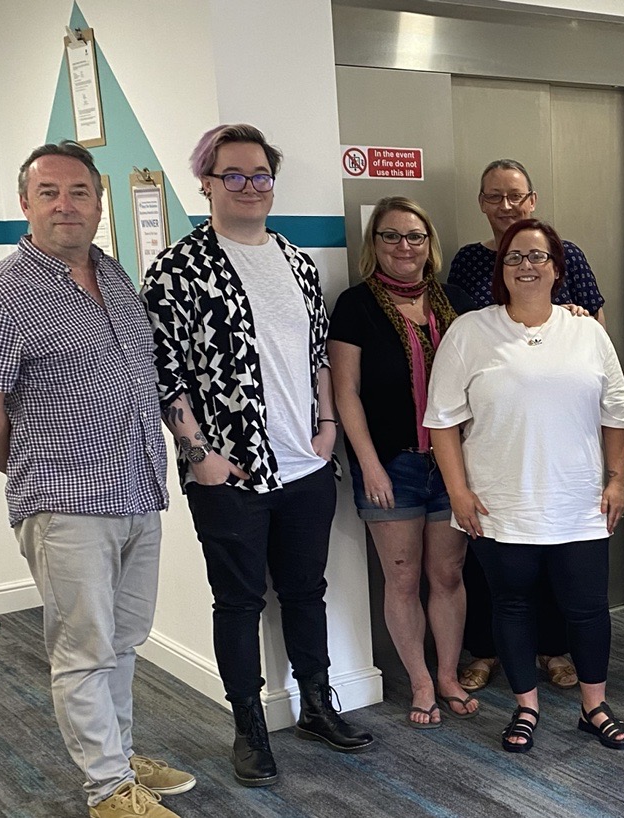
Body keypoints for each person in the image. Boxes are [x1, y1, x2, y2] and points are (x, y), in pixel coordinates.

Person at [141, 124, 373, 788]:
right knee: (238, 602)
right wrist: (200, 455)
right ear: (207, 183)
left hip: (305, 464)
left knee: (306, 591)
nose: (249, 187)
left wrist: (326, 427)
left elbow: (317, 355)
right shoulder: (178, 269)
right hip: (228, 473)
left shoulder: (296, 261)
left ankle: (318, 706)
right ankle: (249, 728)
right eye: (234, 175)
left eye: (261, 175)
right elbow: (165, 373)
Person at [0, 141, 194, 817]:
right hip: (66, 504)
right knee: (82, 651)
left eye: (79, 192)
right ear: (25, 203)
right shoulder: (5, 292)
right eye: (48, 192)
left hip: (138, 490)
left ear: (99, 204)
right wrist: (40, 470)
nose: (65, 205)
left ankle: (121, 758)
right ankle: (107, 790)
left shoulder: (115, 275)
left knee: (123, 641)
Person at [426, 218, 624, 754]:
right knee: (512, 606)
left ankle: (594, 707)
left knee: (587, 609)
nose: (526, 265)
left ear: (557, 268)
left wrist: (616, 482)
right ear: (501, 269)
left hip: (579, 501)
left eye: (538, 256)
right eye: (514, 257)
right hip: (500, 504)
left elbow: (617, 414)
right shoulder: (469, 331)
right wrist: (457, 492)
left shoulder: (587, 331)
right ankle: (526, 707)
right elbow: (442, 421)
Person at [448, 158, 600, 693]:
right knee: (492, 560)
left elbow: (593, 330)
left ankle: (554, 649)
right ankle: (487, 652)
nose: (506, 205)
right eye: (494, 196)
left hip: (556, 436)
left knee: (556, 551)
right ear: (481, 203)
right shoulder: (468, 262)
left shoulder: (566, 254)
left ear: (532, 199)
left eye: (515, 195)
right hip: (492, 432)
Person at [329, 196, 477, 729]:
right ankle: (420, 681)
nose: (404, 246)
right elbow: (346, 393)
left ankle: (448, 675)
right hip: (393, 465)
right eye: (390, 236)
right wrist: (369, 465)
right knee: (402, 577)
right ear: (375, 243)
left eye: (414, 236)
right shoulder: (355, 305)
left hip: (453, 464)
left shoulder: (456, 301)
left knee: (448, 574)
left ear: (428, 242)